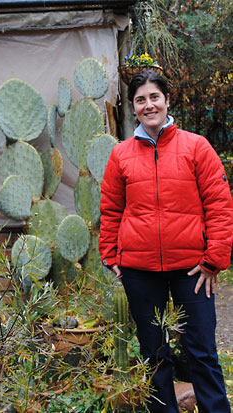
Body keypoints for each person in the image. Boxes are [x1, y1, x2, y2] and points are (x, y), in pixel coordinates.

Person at [99, 69, 233, 413]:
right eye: (140, 99)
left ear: (167, 100)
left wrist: (214, 259)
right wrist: (110, 253)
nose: (148, 105)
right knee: (154, 354)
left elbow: (219, 204)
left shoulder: (196, 147)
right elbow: (111, 207)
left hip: (192, 269)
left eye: (154, 97)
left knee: (202, 350)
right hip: (140, 271)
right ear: (133, 106)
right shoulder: (121, 155)